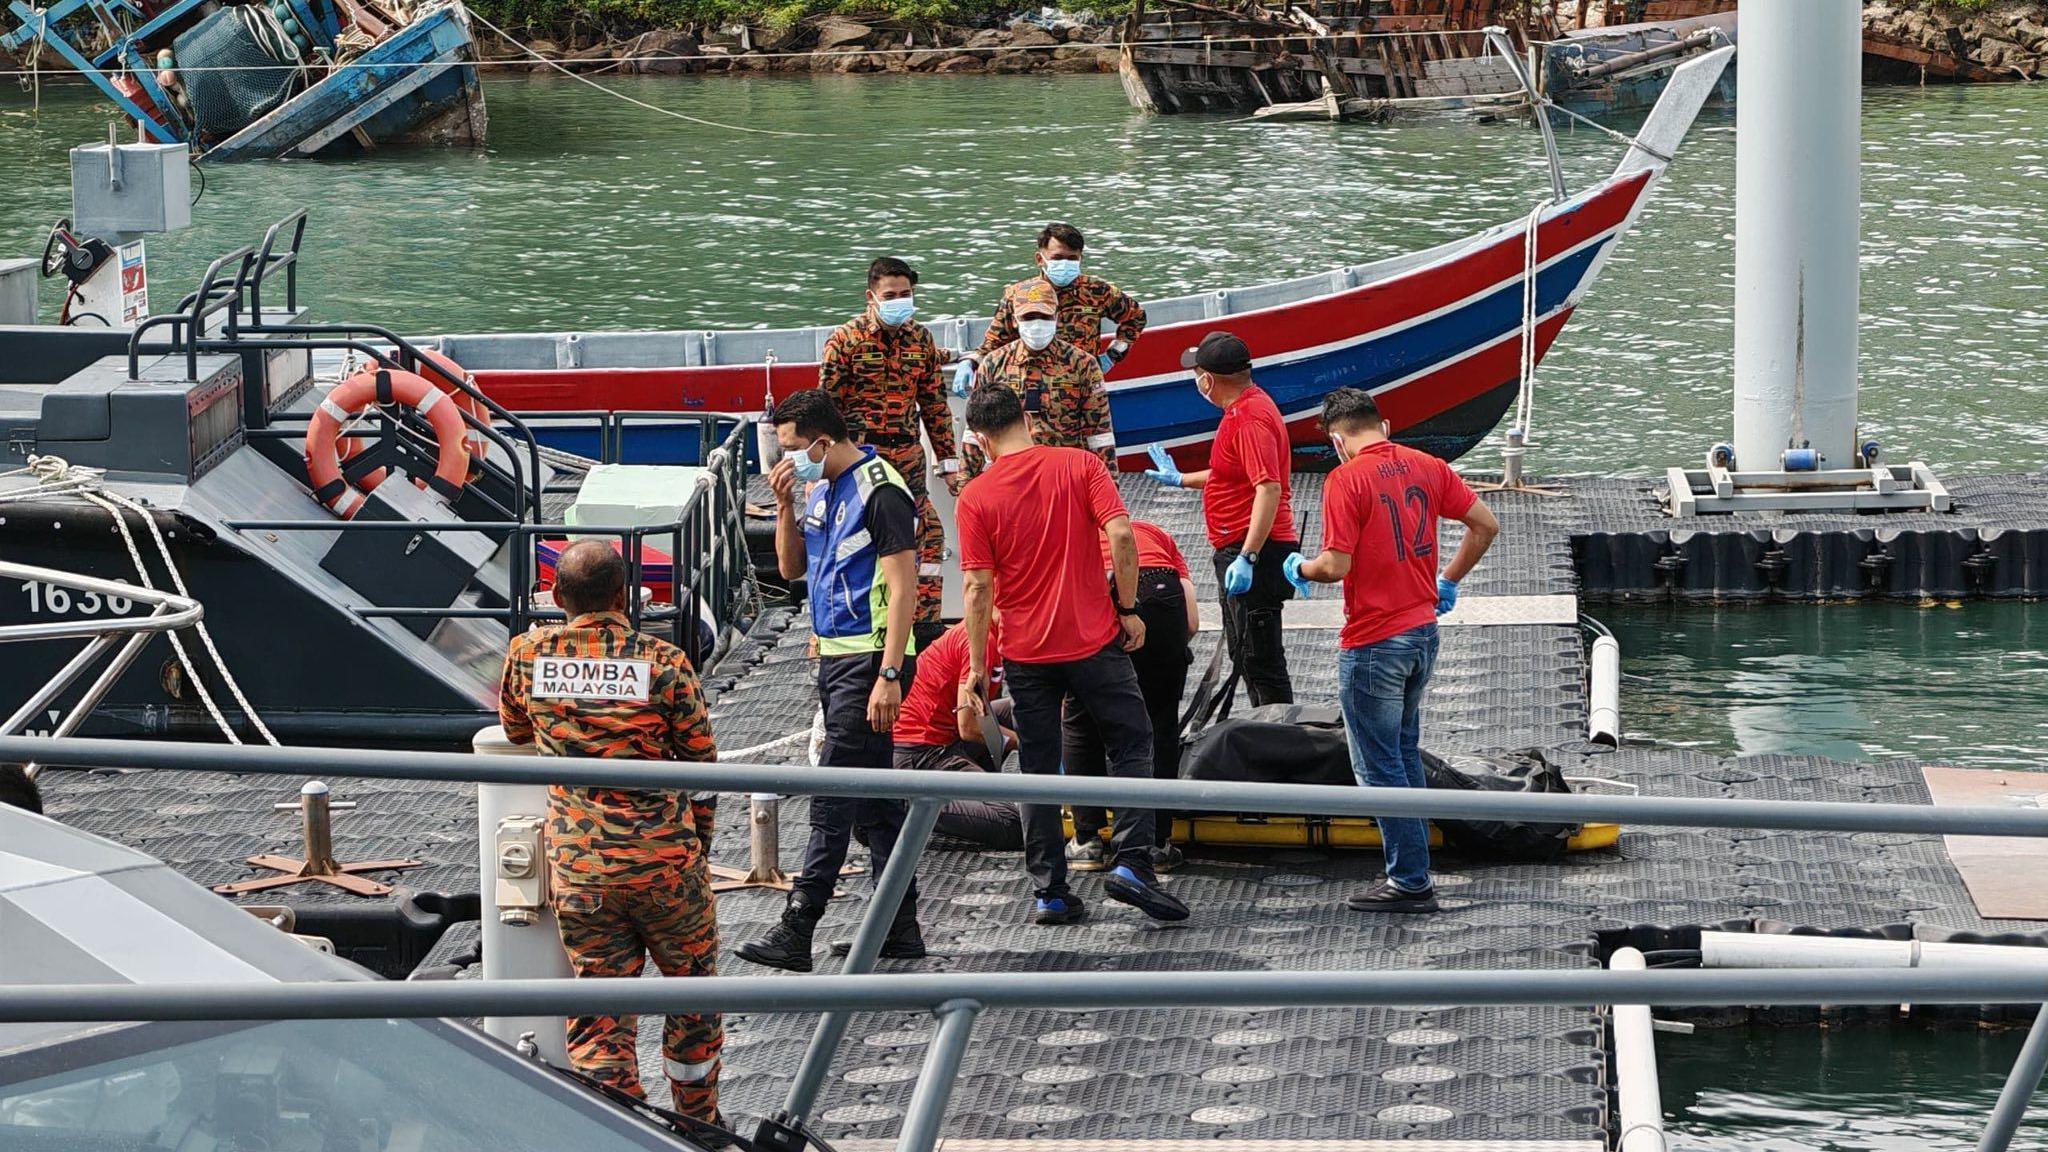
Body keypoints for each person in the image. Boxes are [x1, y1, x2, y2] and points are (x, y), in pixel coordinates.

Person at [498, 539, 722, 1123]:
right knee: (693, 996)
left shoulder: (527, 655)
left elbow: (516, 731)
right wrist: (697, 842)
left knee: (599, 1008)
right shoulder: (665, 663)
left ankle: (619, 1127)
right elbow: (701, 765)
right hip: (667, 867)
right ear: (627, 595)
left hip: (581, 871)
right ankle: (699, 1125)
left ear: (555, 595)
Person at [955, 384, 1189, 925]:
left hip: (1026, 653)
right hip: (1093, 640)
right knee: (1133, 742)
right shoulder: (1080, 465)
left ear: (982, 441)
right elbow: (1122, 536)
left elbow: (976, 588)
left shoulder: (976, 496)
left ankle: (1050, 891)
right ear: (1028, 423)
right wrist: (1128, 608)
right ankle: (1133, 861)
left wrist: (974, 667)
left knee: (1038, 769)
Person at [1282, 387, 1499, 913]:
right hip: (1423, 632)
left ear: (1336, 439)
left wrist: (1299, 567)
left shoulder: (1344, 479)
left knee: (1379, 768)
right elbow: (1485, 525)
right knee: (1402, 754)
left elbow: (1335, 566)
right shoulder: (1427, 464)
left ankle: (1409, 880)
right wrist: (1447, 580)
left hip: (1374, 641)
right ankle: (1413, 867)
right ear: (1384, 423)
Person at [737, 388, 924, 970]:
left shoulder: (880, 489)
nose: (786, 460)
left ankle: (800, 924)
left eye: (793, 449)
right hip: (835, 656)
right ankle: (899, 926)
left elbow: (903, 589)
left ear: (823, 440)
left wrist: (889, 674)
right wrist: (787, 506)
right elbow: (792, 570)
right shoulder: (820, 490)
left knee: (833, 796)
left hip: (870, 659)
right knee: (876, 803)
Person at [1142, 331, 1300, 706]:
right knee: (1243, 655)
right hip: (1238, 548)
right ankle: (1269, 736)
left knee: (1260, 659)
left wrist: (1248, 556)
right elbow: (1231, 474)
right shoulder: (1242, 410)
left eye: (1196, 373)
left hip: (1254, 551)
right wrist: (1180, 479)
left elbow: (1268, 487)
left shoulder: (1249, 418)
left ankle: (1284, 744)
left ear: (1208, 379)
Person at [818, 256, 962, 640]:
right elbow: (827, 410)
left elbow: (934, 405)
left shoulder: (921, 340)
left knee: (928, 535)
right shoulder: (844, 342)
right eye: (891, 295)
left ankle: (925, 625)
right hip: (861, 459)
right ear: (871, 297)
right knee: (857, 541)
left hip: (908, 457)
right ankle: (848, 624)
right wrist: (822, 469)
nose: (900, 301)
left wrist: (948, 464)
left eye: (906, 294)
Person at [1064, 519, 1200, 874]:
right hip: (1162, 592)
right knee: (1160, 725)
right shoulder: (1159, 535)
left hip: (1100, 585)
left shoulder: (1076, 533)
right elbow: (1191, 623)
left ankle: (1087, 839)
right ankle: (1156, 843)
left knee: (1081, 720)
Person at [957, 222, 1147, 391]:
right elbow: (995, 343)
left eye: (1072, 258)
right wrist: (970, 362)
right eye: (1057, 258)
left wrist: (1113, 355)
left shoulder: (1098, 292)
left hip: (1083, 386)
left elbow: (1136, 317)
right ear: (1040, 259)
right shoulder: (1018, 295)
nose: (1065, 263)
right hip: (1029, 387)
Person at [970, 279, 1117, 471]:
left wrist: (1108, 489)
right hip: (1012, 476)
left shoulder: (1083, 365)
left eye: (1044, 317)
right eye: (1029, 317)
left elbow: (1099, 434)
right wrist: (965, 485)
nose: (1037, 325)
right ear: (1015, 320)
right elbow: (976, 431)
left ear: (1057, 317)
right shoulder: (993, 364)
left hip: (1064, 474)